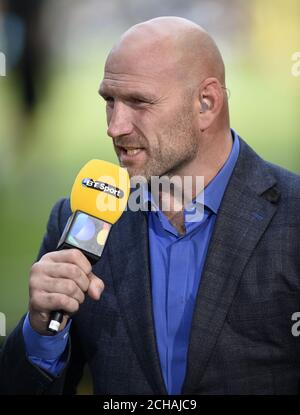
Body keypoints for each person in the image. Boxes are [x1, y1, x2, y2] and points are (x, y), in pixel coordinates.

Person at [1, 16, 300, 395]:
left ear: (206, 103)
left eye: (138, 102)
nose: (114, 127)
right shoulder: (80, 221)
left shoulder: (293, 217)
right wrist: (41, 333)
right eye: (109, 101)